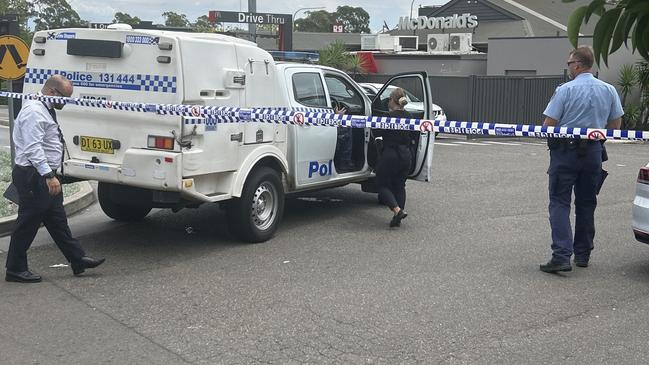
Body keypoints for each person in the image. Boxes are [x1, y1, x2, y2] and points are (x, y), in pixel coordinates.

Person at [5, 75, 105, 283]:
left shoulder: (44, 108)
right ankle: (15, 269)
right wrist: (48, 175)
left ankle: (78, 260)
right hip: (34, 175)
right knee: (28, 223)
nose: (65, 102)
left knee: (57, 221)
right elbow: (33, 148)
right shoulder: (34, 112)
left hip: (42, 174)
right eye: (64, 97)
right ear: (51, 91)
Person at [539, 46, 623, 273]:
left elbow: (548, 126)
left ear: (577, 64)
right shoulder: (609, 90)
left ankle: (561, 256)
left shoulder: (565, 90)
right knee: (587, 203)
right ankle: (583, 255)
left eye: (569, 63)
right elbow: (615, 126)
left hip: (566, 153)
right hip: (594, 153)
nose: (568, 67)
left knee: (559, 202)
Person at [373, 87, 413, 228]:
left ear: (392, 100)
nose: (388, 101)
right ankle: (398, 217)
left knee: (382, 184)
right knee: (400, 186)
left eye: (389, 98)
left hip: (391, 155)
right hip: (406, 155)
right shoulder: (409, 116)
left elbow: (376, 131)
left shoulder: (388, 118)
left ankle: (397, 210)